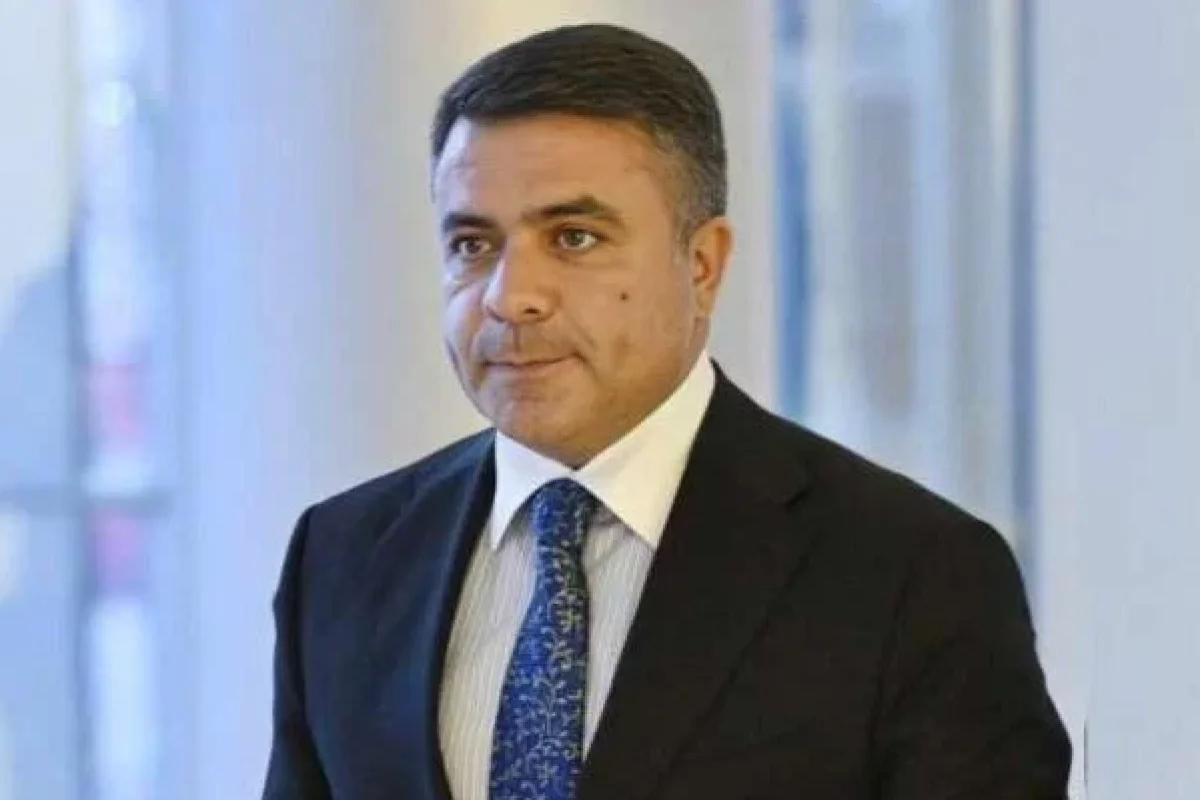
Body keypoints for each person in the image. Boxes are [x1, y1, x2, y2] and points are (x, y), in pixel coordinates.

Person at [262, 23, 1071, 800]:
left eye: (574, 238)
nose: (511, 297)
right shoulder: (344, 557)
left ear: (704, 265)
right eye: (473, 245)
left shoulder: (910, 574)